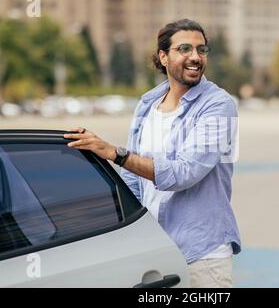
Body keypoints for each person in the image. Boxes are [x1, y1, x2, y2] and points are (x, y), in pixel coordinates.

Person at [64, 19, 241, 288]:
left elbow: (186, 173)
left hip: (202, 255)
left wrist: (116, 154)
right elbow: (134, 183)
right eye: (185, 49)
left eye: (201, 50)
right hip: (156, 253)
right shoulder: (147, 104)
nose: (195, 57)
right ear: (163, 56)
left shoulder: (218, 105)